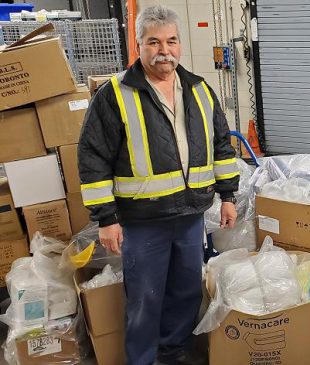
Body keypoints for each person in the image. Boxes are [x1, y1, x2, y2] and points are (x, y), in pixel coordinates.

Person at [78, 5, 240, 365]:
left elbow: (222, 146)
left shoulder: (200, 90)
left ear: (180, 44)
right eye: (153, 42)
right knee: (145, 298)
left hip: (189, 215)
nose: (163, 50)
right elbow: (92, 159)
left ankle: (172, 352)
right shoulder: (115, 95)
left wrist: (228, 195)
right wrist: (105, 218)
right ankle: (142, 359)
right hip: (142, 220)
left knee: (184, 292)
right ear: (138, 45)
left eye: (171, 40)